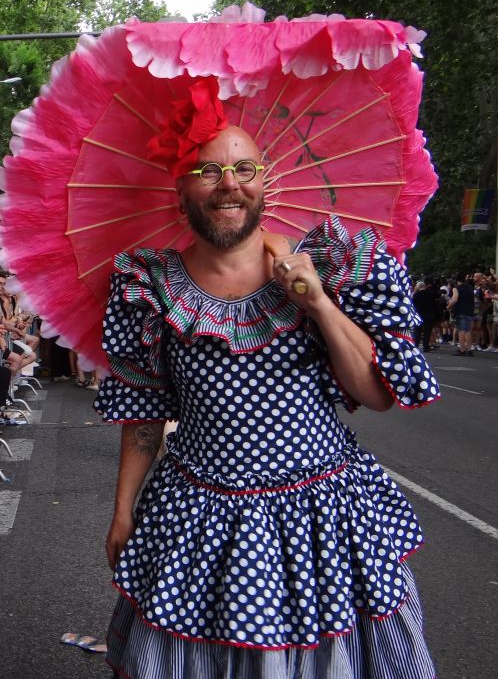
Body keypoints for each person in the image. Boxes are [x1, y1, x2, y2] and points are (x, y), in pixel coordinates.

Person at [97, 122, 439, 677]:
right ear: (181, 191)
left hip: (322, 519)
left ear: (266, 182)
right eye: (208, 171)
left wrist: (319, 304)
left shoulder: (328, 266)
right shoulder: (148, 285)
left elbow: (376, 394)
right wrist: (121, 511)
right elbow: (143, 408)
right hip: (194, 518)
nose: (228, 184)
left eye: (244, 169)